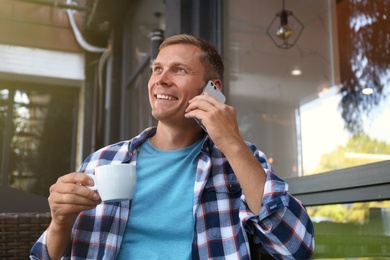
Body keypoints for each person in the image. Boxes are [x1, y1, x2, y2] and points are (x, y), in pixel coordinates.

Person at [30, 34, 314, 259]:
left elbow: (296, 249)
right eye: (157, 69)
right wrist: (60, 223)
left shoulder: (237, 161)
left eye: (179, 70)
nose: (161, 80)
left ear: (212, 88)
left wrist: (231, 143)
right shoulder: (102, 161)